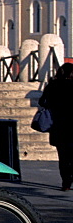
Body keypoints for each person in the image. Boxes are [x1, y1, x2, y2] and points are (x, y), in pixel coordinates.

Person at [38, 62, 73, 191]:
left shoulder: (52, 85)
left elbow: (42, 101)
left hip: (58, 125)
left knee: (63, 156)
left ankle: (66, 183)